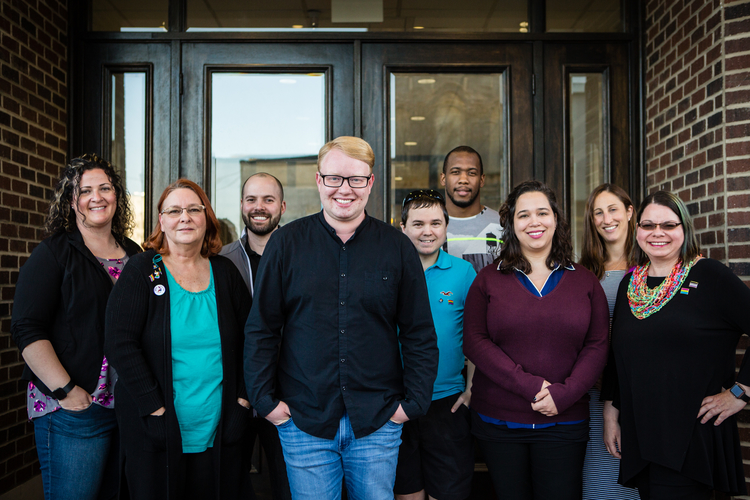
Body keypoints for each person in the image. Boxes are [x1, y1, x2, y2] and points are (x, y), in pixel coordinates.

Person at [244, 136, 438, 500]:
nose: (344, 190)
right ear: (319, 181)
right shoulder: (286, 244)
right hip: (303, 420)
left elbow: (419, 333)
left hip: (378, 421)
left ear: (371, 182)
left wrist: (410, 406)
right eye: (334, 178)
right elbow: (262, 329)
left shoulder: (397, 247)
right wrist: (267, 403)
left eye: (356, 179)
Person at [105, 179, 252, 499]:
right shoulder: (143, 269)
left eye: (193, 209)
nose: (184, 217)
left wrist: (243, 399)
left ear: (207, 217)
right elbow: (120, 343)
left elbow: (253, 340)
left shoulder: (225, 272)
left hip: (220, 429)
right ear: (161, 220)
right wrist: (154, 409)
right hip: (155, 429)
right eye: (174, 210)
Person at [463, 180, 609, 500]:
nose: (534, 222)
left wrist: (564, 394)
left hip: (565, 421)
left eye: (542, 213)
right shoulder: (488, 279)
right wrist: (531, 386)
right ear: (511, 225)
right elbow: (475, 340)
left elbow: (597, 344)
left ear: (556, 219)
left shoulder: (584, 280)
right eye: (523, 215)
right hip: (499, 422)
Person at [602, 190, 750, 499]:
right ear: (637, 230)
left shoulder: (709, 276)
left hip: (690, 436)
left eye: (669, 225)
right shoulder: (632, 284)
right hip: (641, 433)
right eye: (648, 225)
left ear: (685, 229)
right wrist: (611, 411)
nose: (657, 233)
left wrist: (741, 392)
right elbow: (620, 354)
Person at [10, 154, 141, 500]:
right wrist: (67, 391)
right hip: (74, 409)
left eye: (105, 188)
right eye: (85, 191)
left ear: (117, 196)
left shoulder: (134, 253)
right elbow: (27, 328)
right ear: (71, 201)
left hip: (125, 407)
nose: (96, 197)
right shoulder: (54, 253)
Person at [395, 189, 477, 500]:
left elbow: (477, 336)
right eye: (417, 224)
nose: (427, 231)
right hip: (397, 402)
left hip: (447, 403)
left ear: (446, 228)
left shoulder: (463, 272)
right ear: (403, 229)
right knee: (407, 494)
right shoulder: (390, 271)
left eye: (435, 223)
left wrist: (471, 389)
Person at [220, 172, 292, 500]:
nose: (259, 207)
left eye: (268, 199)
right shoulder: (220, 261)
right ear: (241, 205)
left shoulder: (300, 255)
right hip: (236, 391)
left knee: (288, 482)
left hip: (289, 392)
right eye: (251, 199)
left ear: (282, 206)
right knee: (229, 480)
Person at [578, 184, 640, 500]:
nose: (606, 219)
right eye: (598, 212)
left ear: (630, 212)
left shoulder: (655, 266)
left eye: (613, 209)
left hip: (642, 391)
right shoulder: (582, 273)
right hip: (595, 393)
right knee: (602, 482)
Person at [441, 145, 503, 273]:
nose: (463, 180)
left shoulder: (502, 225)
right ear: (443, 178)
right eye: (455, 172)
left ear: (481, 179)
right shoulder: (428, 226)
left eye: (471, 173)